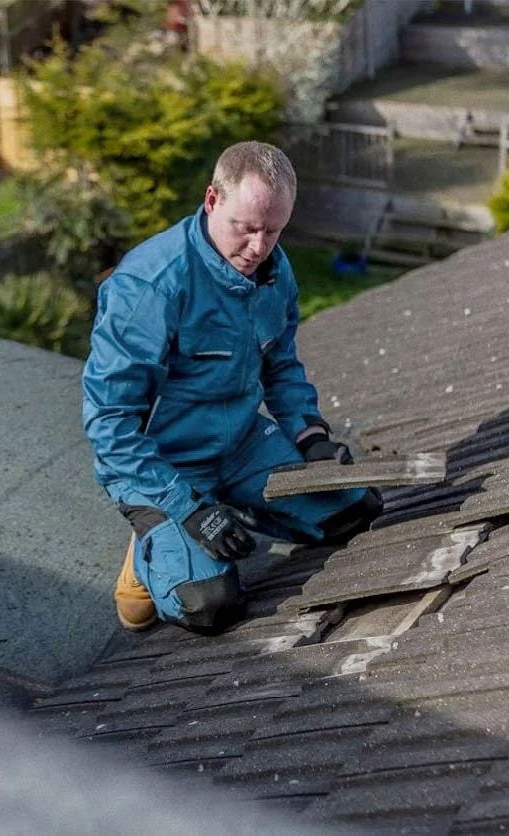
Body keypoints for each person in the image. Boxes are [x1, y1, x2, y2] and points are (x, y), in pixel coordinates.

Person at [82, 141, 382, 635]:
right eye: (246, 228)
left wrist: (312, 437)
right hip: (164, 467)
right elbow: (109, 426)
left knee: (354, 510)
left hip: (241, 445)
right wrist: (189, 508)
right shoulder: (150, 287)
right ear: (212, 201)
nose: (259, 247)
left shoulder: (274, 271)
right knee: (210, 604)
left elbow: (281, 365)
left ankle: (232, 506)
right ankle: (148, 554)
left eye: (274, 230)